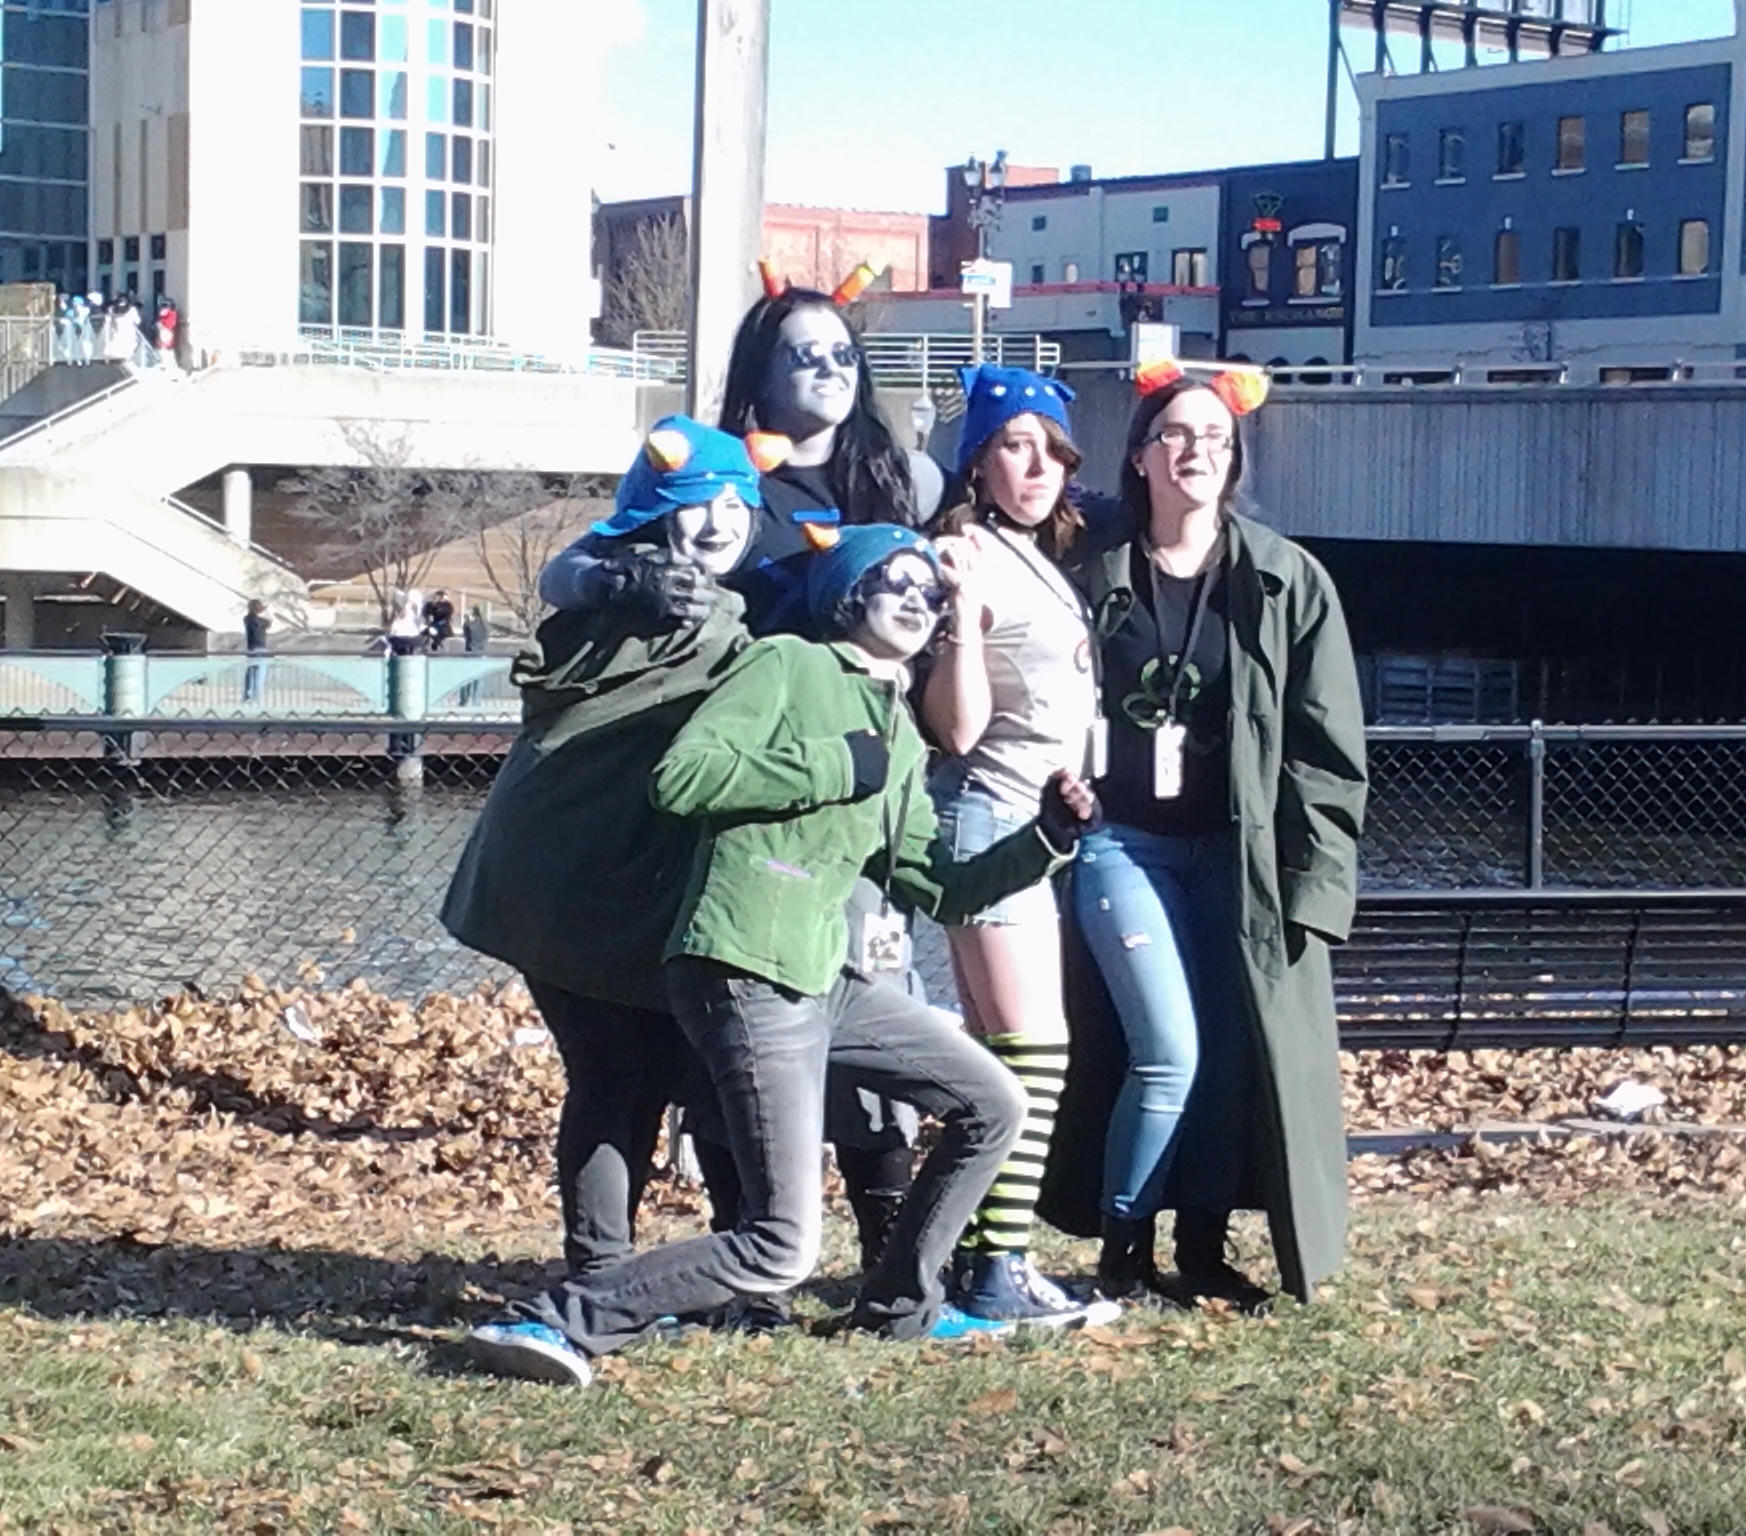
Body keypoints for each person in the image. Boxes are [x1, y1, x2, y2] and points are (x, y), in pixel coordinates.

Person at [465, 524, 1103, 1385]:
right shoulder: (785, 666)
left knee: (994, 1102)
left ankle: (900, 1306)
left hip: (824, 976)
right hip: (745, 967)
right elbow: (684, 777)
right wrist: (833, 764)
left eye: (931, 591)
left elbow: (941, 887)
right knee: (781, 1246)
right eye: (896, 581)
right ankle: (559, 1321)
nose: (918, 600)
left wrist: (1048, 838)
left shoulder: (899, 732)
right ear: (848, 595)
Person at [537, 268, 937, 1302]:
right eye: (802, 354)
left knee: (872, 1010)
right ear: (759, 369)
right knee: (712, 1053)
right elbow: (568, 570)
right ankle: (727, 1269)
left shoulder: (900, 485)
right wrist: (617, 579)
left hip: (852, 799)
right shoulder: (713, 483)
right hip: (725, 797)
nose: (828, 370)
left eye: (842, 353)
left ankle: (884, 1258)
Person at [1037, 362, 1370, 1313]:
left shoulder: (1285, 579)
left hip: (1238, 853)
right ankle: (1124, 1251)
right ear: (1141, 456)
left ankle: (1203, 1249)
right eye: (1175, 435)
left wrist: (1317, 886)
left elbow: (1327, 750)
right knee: (1166, 1048)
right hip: (1121, 844)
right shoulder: (1090, 568)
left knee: (1231, 1053)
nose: (1196, 451)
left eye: (1215, 438)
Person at [444, 417, 766, 1280]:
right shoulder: (649, 600)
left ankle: (648, 1265)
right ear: (655, 512)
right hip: (575, 884)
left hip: (582, 886)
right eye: (698, 501)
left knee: (647, 1071)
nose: (720, 522)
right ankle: (613, 1272)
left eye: (737, 504)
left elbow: (568, 570)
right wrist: (619, 578)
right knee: (626, 1072)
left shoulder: (686, 602)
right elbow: (573, 569)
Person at [918, 365, 1114, 1329]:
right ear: (977, 463)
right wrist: (960, 619)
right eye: (1014, 447)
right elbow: (956, 730)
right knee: (1033, 1053)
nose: (1038, 468)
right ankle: (996, 1269)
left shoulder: (1032, 554)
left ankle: (977, 1258)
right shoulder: (970, 557)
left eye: (1053, 450)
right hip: (990, 818)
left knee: (1010, 1056)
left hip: (1033, 826)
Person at [457, 605, 490, 707]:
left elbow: (468, 634)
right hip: (480, 654)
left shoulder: (469, 625)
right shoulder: (485, 625)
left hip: (470, 654)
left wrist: (467, 621)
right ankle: (476, 703)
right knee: (478, 682)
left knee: (465, 680)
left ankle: (464, 701)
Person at [241, 599, 270, 703]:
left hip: (251, 648)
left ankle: (247, 695)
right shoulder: (260, 621)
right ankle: (257, 697)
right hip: (260, 648)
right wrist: (265, 611)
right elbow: (268, 623)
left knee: (251, 672)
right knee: (259, 674)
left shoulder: (247, 619)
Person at [387, 590, 426, 655]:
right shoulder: (406, 612)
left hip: (409, 636)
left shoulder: (413, 613)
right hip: (402, 637)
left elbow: (420, 624)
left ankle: (405, 652)